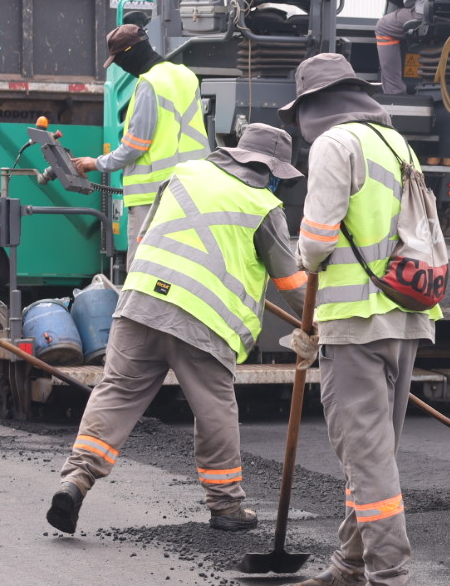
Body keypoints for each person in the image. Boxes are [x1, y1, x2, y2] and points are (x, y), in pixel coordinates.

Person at [46, 124, 305, 535]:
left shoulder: (186, 173)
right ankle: (225, 505)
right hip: (202, 319)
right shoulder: (264, 205)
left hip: (140, 302)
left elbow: (147, 236)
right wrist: (319, 325)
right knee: (215, 407)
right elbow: (292, 284)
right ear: (272, 172)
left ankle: (75, 480)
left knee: (116, 392)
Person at [275, 53, 440, 586]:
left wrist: (312, 306)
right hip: (404, 315)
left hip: (355, 322)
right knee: (376, 452)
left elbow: (317, 241)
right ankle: (349, 566)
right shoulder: (397, 144)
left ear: (313, 108)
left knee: (366, 458)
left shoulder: (334, 145)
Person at [73, 24, 209, 250]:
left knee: (142, 270)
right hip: (191, 186)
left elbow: (135, 146)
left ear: (130, 52)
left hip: (152, 195)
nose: (121, 67)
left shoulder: (149, 84)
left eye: (118, 60)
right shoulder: (186, 75)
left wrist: (94, 163)